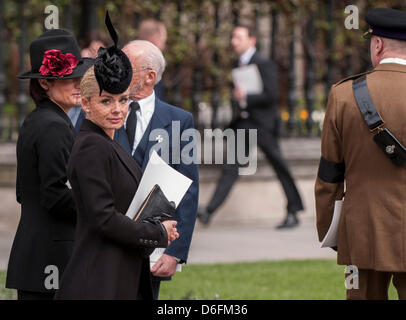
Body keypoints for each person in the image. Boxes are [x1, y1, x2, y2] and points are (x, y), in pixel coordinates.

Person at [55, 14, 179, 300]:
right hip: (98, 279)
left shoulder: (107, 142)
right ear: (85, 103)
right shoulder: (91, 146)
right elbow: (104, 218)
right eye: (106, 101)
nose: (117, 109)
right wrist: (157, 233)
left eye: (123, 100)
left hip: (118, 273)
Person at [315, 7, 406, 300]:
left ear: (377, 44)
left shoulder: (344, 95)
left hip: (363, 231)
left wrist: (332, 232)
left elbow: (329, 177)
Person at [6, 29, 93, 300]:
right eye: (69, 78)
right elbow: (55, 195)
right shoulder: (53, 126)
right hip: (52, 256)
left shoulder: (39, 120)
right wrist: (99, 209)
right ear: (44, 82)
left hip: (38, 255)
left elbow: (25, 192)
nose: (78, 83)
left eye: (80, 75)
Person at [197, 24, 304, 229]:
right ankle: (209, 211)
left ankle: (293, 210)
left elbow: (272, 95)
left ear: (251, 40)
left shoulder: (263, 63)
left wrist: (246, 96)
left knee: (279, 165)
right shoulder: (238, 64)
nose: (233, 41)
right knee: (231, 169)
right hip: (244, 124)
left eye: (238, 37)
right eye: (233, 37)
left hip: (262, 125)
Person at [116, 40, 199, 299]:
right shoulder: (104, 111)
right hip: (107, 236)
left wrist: (175, 252)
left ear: (150, 76)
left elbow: (188, 187)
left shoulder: (179, 120)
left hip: (151, 243)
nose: (118, 72)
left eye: (127, 67)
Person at [138, 18, 168, 101]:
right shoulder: (151, 63)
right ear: (155, 38)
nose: (164, 46)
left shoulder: (133, 58)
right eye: (163, 40)